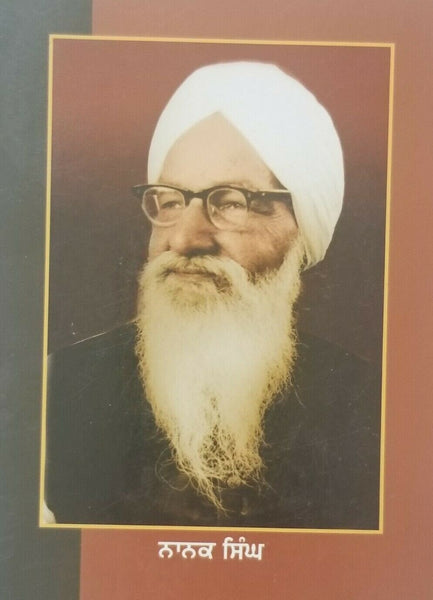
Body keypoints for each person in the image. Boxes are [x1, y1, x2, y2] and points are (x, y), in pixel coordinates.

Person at [45, 62, 381, 529]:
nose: (184, 239)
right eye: (170, 201)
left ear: (300, 232)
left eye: (231, 203)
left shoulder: (373, 410)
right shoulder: (54, 389)